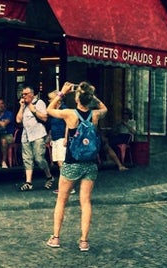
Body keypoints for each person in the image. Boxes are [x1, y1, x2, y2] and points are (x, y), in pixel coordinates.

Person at [46, 81, 108, 252]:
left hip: (72, 162)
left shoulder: (69, 114)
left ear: (77, 98)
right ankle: (84, 241)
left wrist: (61, 93)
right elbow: (105, 108)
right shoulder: (95, 115)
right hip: (90, 164)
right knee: (86, 201)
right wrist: (92, 96)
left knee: (61, 200)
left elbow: (49, 110)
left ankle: (56, 237)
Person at [16, 85, 55, 191]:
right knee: (27, 159)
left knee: (39, 158)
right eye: (22, 94)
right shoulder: (23, 105)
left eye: (26, 94)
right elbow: (18, 120)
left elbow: (44, 117)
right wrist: (21, 107)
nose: (23, 96)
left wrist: (33, 109)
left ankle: (49, 176)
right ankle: (28, 182)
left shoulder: (39, 103)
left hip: (37, 134)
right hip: (26, 136)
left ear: (32, 94)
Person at [47, 90, 76, 195]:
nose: (49, 100)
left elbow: (68, 124)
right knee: (59, 163)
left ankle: (69, 187)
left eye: (51, 98)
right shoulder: (54, 110)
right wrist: (50, 136)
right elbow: (52, 125)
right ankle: (64, 187)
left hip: (61, 138)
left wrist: (66, 137)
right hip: (55, 137)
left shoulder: (64, 109)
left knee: (62, 163)